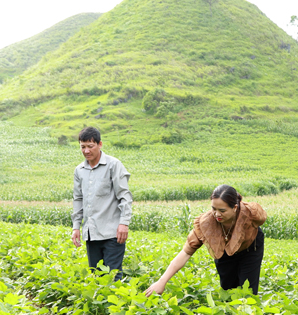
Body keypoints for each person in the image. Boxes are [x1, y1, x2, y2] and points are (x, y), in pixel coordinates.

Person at [145, 185, 266, 296]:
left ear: (235, 207)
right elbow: (186, 253)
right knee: (228, 290)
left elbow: (261, 217)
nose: (217, 214)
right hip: (223, 249)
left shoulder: (251, 213)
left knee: (248, 290)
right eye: (214, 208)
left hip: (250, 248)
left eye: (222, 211)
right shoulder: (206, 224)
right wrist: (162, 281)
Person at [71, 126, 132, 280]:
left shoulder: (113, 165)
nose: (86, 151)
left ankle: (117, 303)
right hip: (91, 233)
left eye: (90, 146)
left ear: (100, 144)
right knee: (97, 276)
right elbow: (78, 199)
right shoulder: (79, 170)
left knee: (112, 277)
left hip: (113, 233)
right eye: (82, 147)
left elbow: (124, 196)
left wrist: (124, 223)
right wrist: (76, 226)